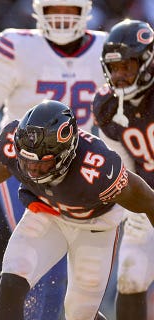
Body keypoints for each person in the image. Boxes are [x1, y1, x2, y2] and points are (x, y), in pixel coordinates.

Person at [0, 100, 154, 320]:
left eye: (42, 163)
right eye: (26, 161)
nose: (32, 170)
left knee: (79, 312)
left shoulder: (98, 168)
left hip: (94, 225)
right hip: (48, 213)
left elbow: (148, 201)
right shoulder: (14, 146)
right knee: (14, 273)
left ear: (66, 153)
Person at [0, 0, 107, 317]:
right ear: (41, 10)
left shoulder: (105, 48)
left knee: (77, 275)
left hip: (79, 168)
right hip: (24, 165)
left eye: (70, 10)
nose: (63, 19)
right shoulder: (17, 45)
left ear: (85, 11)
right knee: (43, 265)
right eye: (56, 10)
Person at [91, 19, 154, 320]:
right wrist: (137, 209)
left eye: (127, 66)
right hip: (149, 198)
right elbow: (122, 168)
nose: (120, 75)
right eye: (114, 68)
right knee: (130, 275)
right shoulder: (106, 105)